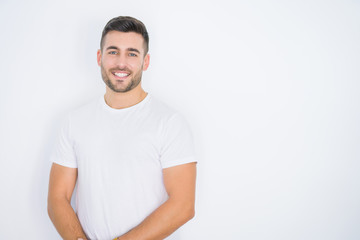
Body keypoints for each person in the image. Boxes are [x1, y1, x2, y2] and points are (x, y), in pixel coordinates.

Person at [47, 16, 197, 240]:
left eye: (132, 53)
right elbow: (57, 197)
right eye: (113, 51)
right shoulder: (74, 121)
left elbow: (183, 206)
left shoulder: (169, 122)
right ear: (100, 57)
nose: (121, 63)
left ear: (145, 62)